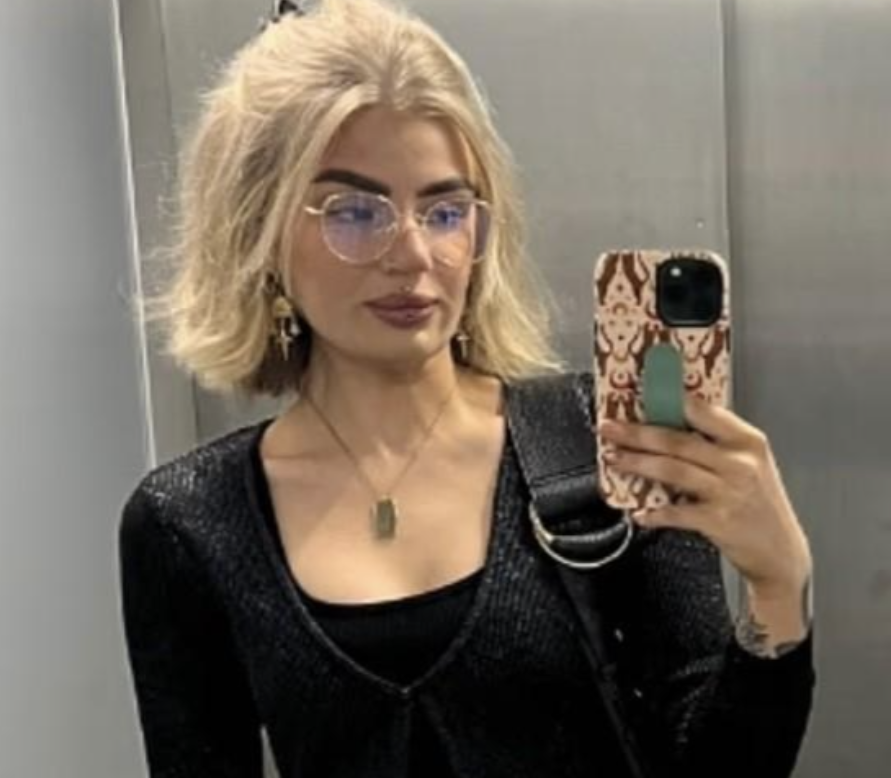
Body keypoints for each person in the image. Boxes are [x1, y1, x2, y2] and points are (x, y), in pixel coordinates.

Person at [118, 1, 816, 776]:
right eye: (355, 211)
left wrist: (777, 586)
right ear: (260, 233)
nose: (413, 254)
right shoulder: (191, 523)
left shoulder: (601, 443)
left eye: (445, 210)